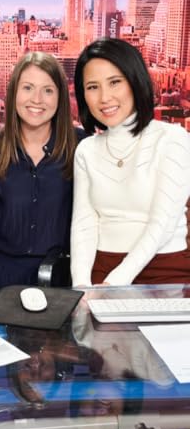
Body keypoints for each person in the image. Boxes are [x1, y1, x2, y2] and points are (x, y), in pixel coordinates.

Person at [71, 37, 190, 286]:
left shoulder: (173, 139)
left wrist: (115, 284)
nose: (104, 97)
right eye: (92, 87)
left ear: (135, 82)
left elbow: (163, 224)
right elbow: (84, 224)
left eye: (115, 82)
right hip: (101, 269)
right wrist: (81, 287)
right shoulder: (86, 150)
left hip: (166, 271)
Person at [0, 52, 85, 289]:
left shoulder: (81, 146)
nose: (37, 99)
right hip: (3, 279)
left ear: (60, 97)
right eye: (28, 88)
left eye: (48, 90)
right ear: (14, 94)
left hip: (62, 279)